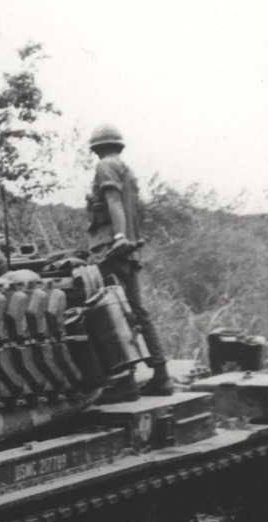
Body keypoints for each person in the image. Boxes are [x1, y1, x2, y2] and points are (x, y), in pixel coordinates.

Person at [85, 123, 174, 396]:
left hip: (112, 248)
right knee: (135, 311)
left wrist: (119, 237)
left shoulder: (106, 167)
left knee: (108, 312)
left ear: (96, 148)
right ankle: (161, 375)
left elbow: (113, 201)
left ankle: (125, 380)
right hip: (129, 249)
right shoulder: (129, 172)